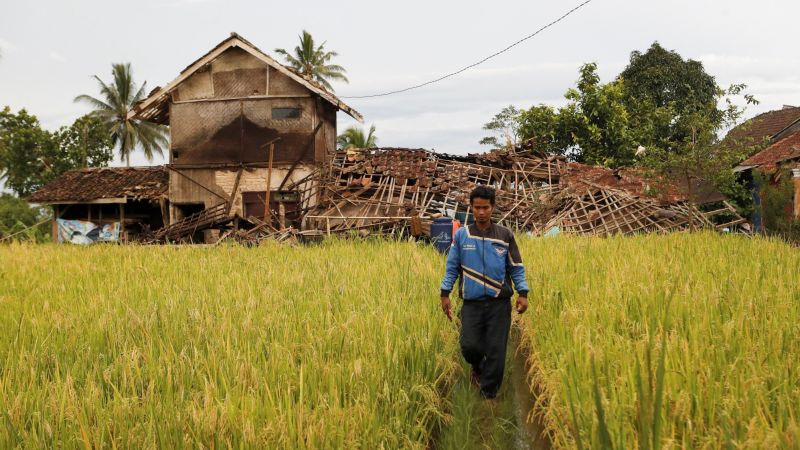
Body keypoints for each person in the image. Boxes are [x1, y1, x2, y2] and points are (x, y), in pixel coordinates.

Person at [439, 185, 529, 399]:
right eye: (477, 207)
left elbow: (516, 266)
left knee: (497, 350)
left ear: (493, 208)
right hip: (472, 303)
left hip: (499, 303)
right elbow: (452, 266)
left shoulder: (505, 235)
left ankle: (488, 394)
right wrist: (445, 293)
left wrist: (523, 293)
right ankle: (478, 367)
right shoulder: (462, 236)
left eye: (485, 208)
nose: (481, 212)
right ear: (471, 208)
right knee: (469, 346)